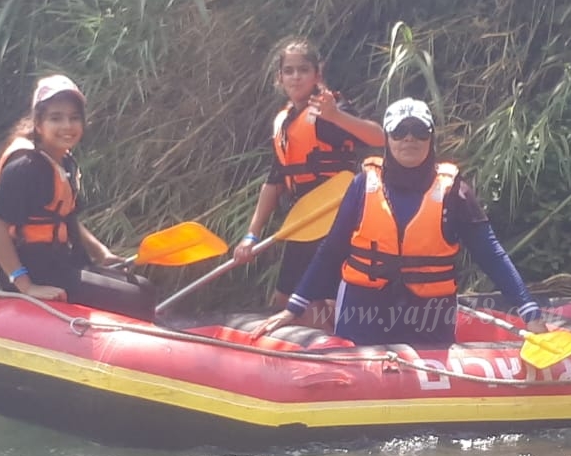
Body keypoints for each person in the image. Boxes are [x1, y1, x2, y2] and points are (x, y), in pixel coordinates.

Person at [255, 98, 546, 346]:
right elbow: (331, 251)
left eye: (419, 131)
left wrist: (530, 311)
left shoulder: (455, 192)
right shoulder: (361, 186)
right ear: (388, 138)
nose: (410, 138)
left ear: (431, 138)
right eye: (399, 131)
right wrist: (294, 306)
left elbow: (491, 255)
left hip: (430, 316)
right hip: (364, 312)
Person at [0, 74, 154, 319]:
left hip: (62, 263)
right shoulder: (24, 167)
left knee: (144, 289)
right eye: (56, 118)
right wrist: (26, 286)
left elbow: (66, 218)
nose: (67, 126)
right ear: (38, 124)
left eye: (74, 118)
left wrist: (101, 253)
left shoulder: (63, 161)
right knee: (134, 299)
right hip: (34, 271)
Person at [232, 39, 386, 312]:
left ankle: (337, 345)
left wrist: (337, 116)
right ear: (279, 77)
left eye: (303, 70)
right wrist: (251, 235)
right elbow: (275, 180)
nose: (295, 77)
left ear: (318, 72)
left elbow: (380, 138)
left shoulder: (329, 110)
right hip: (302, 219)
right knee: (284, 301)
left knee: (323, 303)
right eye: (288, 71)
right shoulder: (284, 120)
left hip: (337, 218)